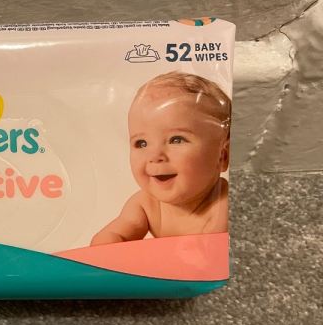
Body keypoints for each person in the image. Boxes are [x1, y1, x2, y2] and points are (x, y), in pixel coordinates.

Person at [91, 71, 231, 245]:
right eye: (141, 143)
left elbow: (210, 252)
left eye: (176, 140)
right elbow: (111, 236)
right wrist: (107, 246)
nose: (155, 156)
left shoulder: (225, 206)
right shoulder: (145, 204)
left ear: (223, 156)